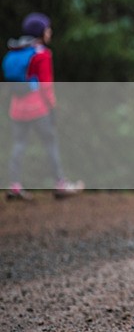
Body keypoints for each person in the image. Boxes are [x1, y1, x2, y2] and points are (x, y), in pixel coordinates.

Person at [4, 12, 83, 200]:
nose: (50, 32)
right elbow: (46, 86)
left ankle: (14, 186)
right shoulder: (42, 55)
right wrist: (53, 108)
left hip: (17, 108)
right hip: (38, 108)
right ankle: (60, 184)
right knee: (50, 144)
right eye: (48, 29)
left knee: (18, 145)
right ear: (41, 32)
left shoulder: (15, 51)